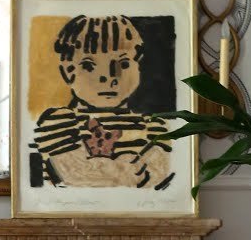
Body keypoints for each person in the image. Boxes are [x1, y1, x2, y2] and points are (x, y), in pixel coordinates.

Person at [31, 12, 174, 191]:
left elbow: (158, 178)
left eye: (123, 64)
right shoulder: (58, 122)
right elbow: (73, 176)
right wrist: (128, 169)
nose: (109, 76)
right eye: (89, 65)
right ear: (68, 71)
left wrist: (110, 170)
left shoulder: (154, 127)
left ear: (138, 66)